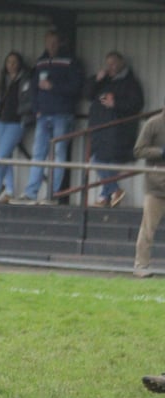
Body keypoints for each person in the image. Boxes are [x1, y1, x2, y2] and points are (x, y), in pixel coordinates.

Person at [13, 29, 83, 205]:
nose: (50, 46)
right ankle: (31, 193)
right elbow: (34, 87)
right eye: (48, 43)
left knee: (58, 155)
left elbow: (75, 87)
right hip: (43, 115)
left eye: (54, 43)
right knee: (38, 154)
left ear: (61, 43)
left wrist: (53, 86)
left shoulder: (71, 61)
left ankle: (53, 194)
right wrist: (36, 108)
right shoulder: (41, 61)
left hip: (62, 113)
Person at [83, 51, 144, 208]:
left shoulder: (130, 83)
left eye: (114, 63)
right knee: (102, 161)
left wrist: (115, 104)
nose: (111, 67)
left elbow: (136, 104)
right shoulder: (103, 81)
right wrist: (97, 79)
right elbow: (89, 95)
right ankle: (109, 194)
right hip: (99, 128)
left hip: (117, 130)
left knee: (99, 161)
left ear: (122, 63)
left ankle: (111, 192)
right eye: (108, 64)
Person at [0, 51, 32, 203]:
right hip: (1, 119)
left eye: (14, 62)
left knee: (0, 157)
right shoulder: (3, 80)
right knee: (6, 156)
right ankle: (10, 191)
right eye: (9, 62)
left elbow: (27, 98)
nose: (11, 65)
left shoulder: (24, 79)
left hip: (16, 121)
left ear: (19, 64)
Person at [132, 107, 165, 278]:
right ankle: (141, 266)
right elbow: (138, 150)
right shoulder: (153, 124)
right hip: (156, 187)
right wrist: (160, 152)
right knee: (148, 229)